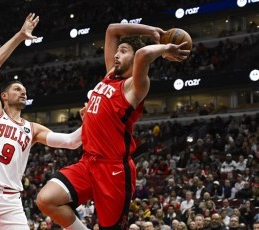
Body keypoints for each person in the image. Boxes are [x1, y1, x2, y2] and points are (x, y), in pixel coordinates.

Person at [37, 22, 189, 229]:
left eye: (123, 51)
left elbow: (144, 54)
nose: (116, 55)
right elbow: (111, 29)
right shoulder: (110, 75)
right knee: (46, 199)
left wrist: (164, 48)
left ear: (134, 59)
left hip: (114, 170)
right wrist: (151, 30)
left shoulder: (135, 87)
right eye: (117, 51)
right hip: (88, 161)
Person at [0, 13, 83, 230]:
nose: (23, 92)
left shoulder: (33, 129)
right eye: (17, 89)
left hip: (10, 201)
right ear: (4, 96)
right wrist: (20, 36)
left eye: (25, 90)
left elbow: (71, 141)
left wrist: (93, 117)